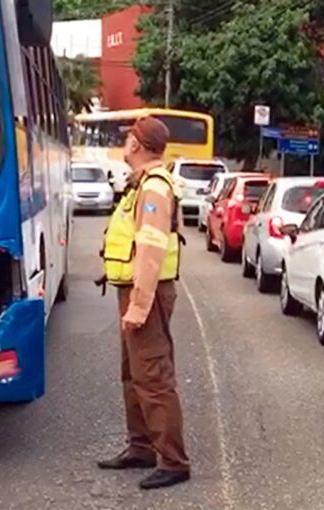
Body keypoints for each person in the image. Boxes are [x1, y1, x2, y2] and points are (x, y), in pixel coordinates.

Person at [97, 117, 191, 490]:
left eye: (128, 139)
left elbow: (151, 252)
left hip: (147, 293)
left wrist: (138, 306)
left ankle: (173, 461)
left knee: (153, 376)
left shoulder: (154, 187)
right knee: (133, 374)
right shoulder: (140, 184)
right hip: (135, 289)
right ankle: (141, 447)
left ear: (136, 144)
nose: (125, 144)